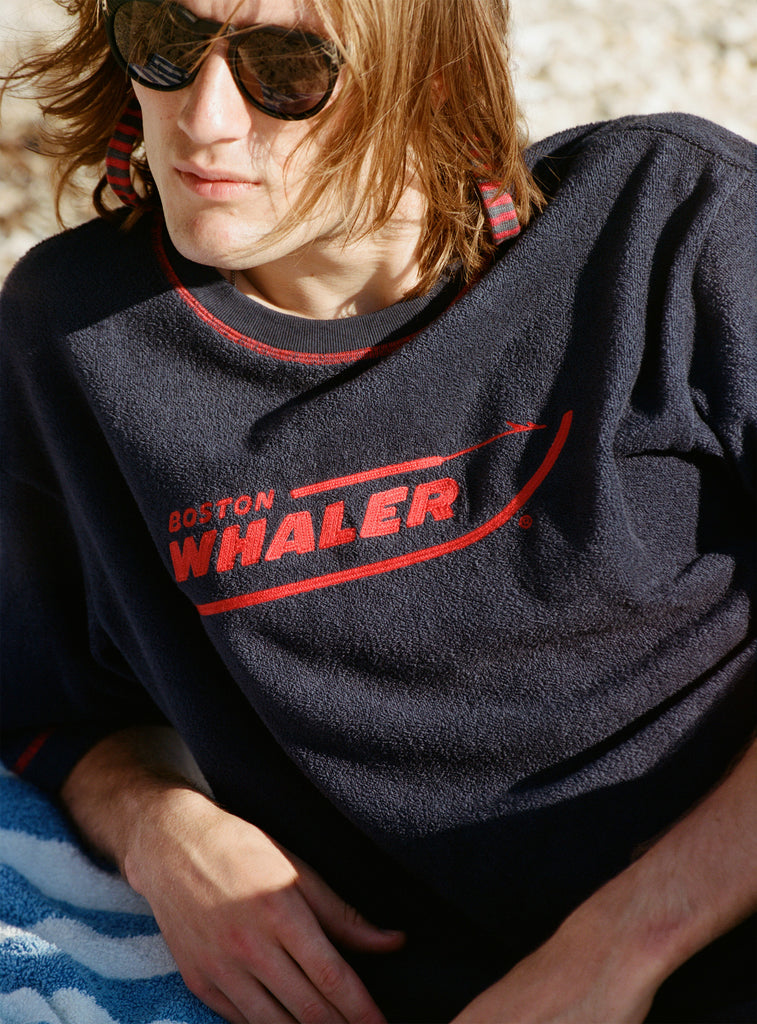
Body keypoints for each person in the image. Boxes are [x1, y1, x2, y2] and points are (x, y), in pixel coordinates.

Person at [1, 0, 755, 1021]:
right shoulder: (77, 337)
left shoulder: (670, 226)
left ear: (430, 72)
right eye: (166, 42)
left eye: (286, 68)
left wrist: (624, 943)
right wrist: (164, 829)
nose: (204, 118)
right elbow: (42, 700)